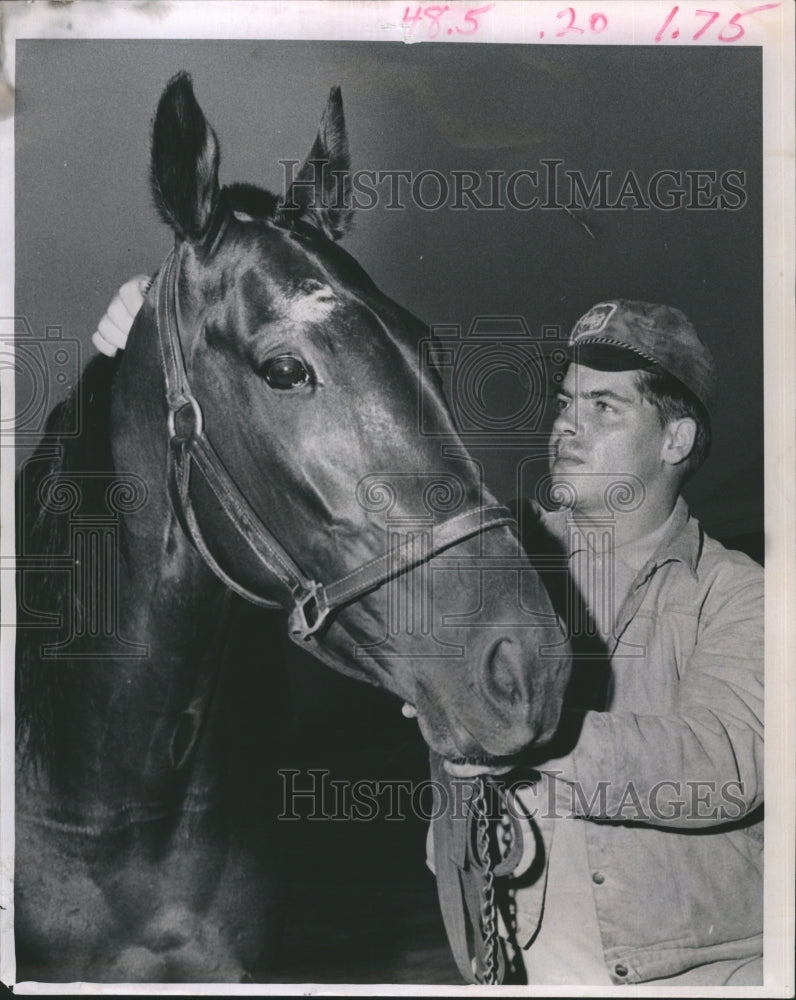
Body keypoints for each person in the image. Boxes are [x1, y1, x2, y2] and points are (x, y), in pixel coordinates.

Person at [94, 288, 764, 986]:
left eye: (604, 407)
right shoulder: (491, 561)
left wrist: (521, 734)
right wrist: (157, 338)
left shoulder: (738, 594)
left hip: (693, 975)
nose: (568, 425)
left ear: (676, 440)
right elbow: (314, 536)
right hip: (506, 966)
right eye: (566, 402)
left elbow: (726, 765)